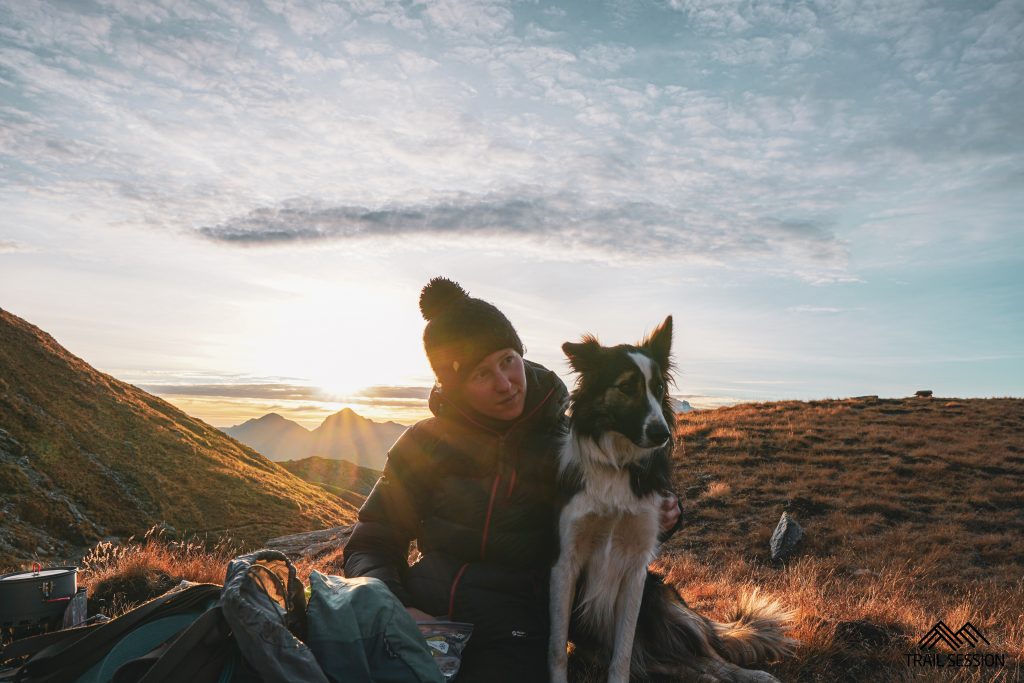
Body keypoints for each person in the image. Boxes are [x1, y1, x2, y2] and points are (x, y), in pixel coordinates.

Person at [343, 277, 680, 682]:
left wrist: (672, 511)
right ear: (454, 386)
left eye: (507, 360)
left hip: (519, 621)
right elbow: (372, 540)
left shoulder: (570, 440)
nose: (504, 383)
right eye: (481, 374)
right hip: (431, 611)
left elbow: (624, 501)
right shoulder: (423, 445)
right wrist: (399, 609)